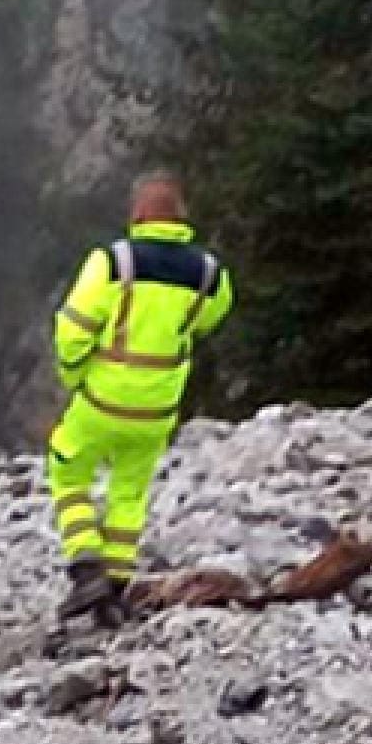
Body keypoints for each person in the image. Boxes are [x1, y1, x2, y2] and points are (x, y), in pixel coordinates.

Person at [39, 173, 233, 621]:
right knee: (130, 490)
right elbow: (209, 319)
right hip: (158, 408)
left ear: (138, 214)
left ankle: (86, 567)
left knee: (68, 471)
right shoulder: (208, 273)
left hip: (103, 398)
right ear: (181, 217)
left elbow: (72, 328)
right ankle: (116, 587)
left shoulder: (113, 263)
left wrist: (75, 375)